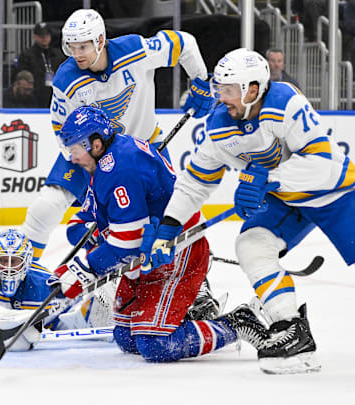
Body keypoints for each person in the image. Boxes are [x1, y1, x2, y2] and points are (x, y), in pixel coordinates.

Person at [144, 48, 355, 376]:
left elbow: (323, 166)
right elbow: (193, 184)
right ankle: (292, 331)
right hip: (287, 200)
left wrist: (267, 178)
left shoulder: (285, 103)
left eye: (228, 91)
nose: (221, 97)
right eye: (219, 89)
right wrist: (168, 229)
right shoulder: (219, 126)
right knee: (251, 245)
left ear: (252, 89)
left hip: (336, 193)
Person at [52, 106, 270, 363]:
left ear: (95, 144)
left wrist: (86, 266)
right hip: (148, 255)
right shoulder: (109, 157)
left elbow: (127, 243)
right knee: (127, 337)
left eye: (74, 150)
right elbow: (91, 215)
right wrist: (86, 238)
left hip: (176, 251)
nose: (71, 158)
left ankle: (239, 322)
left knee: (155, 344)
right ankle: (183, 315)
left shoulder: (119, 169)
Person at [20, 8, 213, 263]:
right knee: (45, 208)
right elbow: (61, 130)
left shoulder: (135, 50)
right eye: (72, 47)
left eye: (83, 47)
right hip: (92, 153)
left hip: (144, 146)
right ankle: (19, 271)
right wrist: (93, 174)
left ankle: (198, 284)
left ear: (100, 41)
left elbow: (184, 43)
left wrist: (200, 81)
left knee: (174, 215)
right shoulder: (66, 79)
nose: (77, 54)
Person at [15, 22, 66, 107]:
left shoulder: (58, 55)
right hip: (34, 97)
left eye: (47, 35)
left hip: (56, 95)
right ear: (34, 36)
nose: (44, 38)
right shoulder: (27, 55)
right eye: (41, 35)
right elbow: (23, 76)